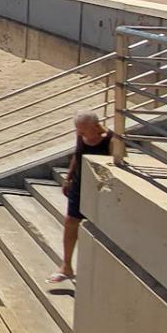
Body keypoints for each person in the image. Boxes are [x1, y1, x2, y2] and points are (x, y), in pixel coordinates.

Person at [49, 112, 112, 284]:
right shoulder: (81, 135)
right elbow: (77, 156)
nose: (80, 134)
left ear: (94, 126)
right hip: (79, 183)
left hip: (99, 187)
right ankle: (66, 266)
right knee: (70, 221)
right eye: (78, 131)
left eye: (83, 131)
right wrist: (68, 179)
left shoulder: (111, 140)